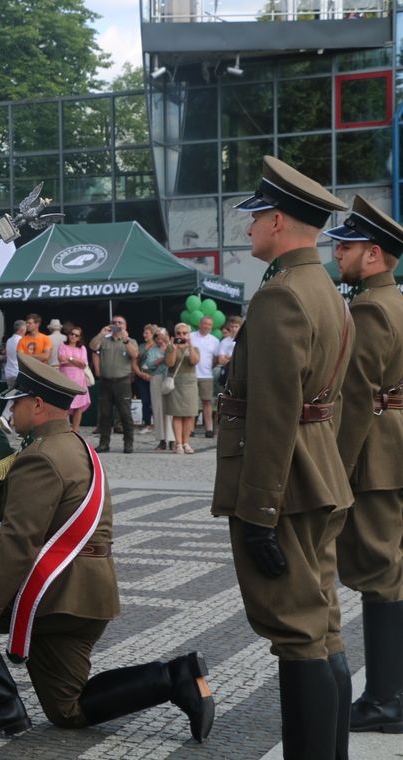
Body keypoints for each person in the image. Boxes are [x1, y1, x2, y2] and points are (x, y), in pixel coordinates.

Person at [0, 356, 215, 741]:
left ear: (38, 405)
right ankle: (175, 678)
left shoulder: (41, 456)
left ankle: (0, 706)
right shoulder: (73, 445)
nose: (12, 408)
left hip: (54, 591)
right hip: (88, 598)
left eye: (18, 401)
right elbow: (38, 503)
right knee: (68, 709)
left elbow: (18, 544)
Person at [213, 155, 353, 759]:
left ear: (277, 220)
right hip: (319, 475)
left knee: (297, 632)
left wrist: (259, 510)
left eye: (254, 219)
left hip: (286, 487)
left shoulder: (281, 298)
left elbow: (272, 413)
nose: (248, 231)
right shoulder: (326, 289)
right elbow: (336, 403)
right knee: (321, 626)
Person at [325, 195, 403, 734]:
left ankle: (384, 699)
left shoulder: (372, 307)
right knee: (393, 570)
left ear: (373, 254)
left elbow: (359, 397)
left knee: (381, 574)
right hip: (393, 447)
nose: (339, 253)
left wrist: (334, 466)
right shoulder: (394, 300)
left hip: (377, 454)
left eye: (347, 246)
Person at [88, 315, 139, 453]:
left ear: (125, 326)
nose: (116, 324)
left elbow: (135, 355)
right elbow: (92, 346)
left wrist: (126, 339)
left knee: (125, 414)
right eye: (114, 322)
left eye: (120, 323)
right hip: (106, 382)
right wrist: (101, 334)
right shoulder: (104, 340)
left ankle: (128, 443)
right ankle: (104, 443)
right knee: (105, 414)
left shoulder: (130, 341)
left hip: (122, 382)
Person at [164, 322, 199, 454]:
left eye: (185, 333)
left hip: (190, 382)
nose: (182, 335)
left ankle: (186, 443)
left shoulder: (194, 347)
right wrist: (174, 348)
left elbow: (194, 361)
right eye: (179, 333)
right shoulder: (170, 347)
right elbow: (170, 363)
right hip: (176, 382)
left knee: (190, 414)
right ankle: (178, 443)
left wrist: (189, 346)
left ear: (189, 334)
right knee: (177, 415)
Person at [56, 325, 90, 432]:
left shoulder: (82, 348)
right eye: (72, 334)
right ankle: (64, 429)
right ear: (68, 335)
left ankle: (75, 429)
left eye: (76, 335)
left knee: (78, 406)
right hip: (66, 378)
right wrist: (76, 361)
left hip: (79, 379)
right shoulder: (62, 346)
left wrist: (69, 358)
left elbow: (83, 364)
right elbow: (61, 359)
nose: (73, 337)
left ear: (79, 338)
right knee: (64, 405)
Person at [191, 316, 220, 438]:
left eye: (209, 325)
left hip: (206, 375)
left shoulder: (215, 340)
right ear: (200, 324)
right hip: (191, 374)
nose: (207, 326)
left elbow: (216, 359)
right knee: (191, 403)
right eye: (205, 324)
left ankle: (209, 429)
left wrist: (209, 367)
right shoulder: (191, 337)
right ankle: (190, 429)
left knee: (207, 402)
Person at [147, 328, 175, 451]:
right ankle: (162, 440)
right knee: (158, 409)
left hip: (171, 379)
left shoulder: (173, 347)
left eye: (162, 337)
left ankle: (173, 439)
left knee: (172, 410)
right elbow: (149, 364)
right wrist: (164, 359)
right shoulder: (153, 350)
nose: (160, 339)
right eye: (157, 337)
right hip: (157, 379)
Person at [133, 323, 157, 432]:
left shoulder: (158, 346)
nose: (144, 335)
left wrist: (152, 376)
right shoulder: (140, 346)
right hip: (141, 377)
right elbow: (135, 362)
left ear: (153, 334)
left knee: (155, 401)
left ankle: (157, 423)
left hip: (155, 377)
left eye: (147, 333)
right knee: (145, 400)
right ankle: (146, 422)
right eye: (144, 333)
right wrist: (140, 373)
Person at [3, 319, 26, 387]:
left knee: (10, 394)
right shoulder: (21, 341)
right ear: (22, 329)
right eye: (25, 329)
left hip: (9, 371)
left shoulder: (9, 340)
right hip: (18, 372)